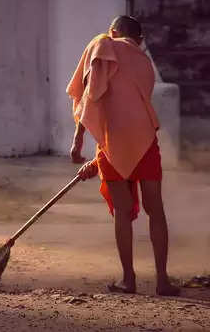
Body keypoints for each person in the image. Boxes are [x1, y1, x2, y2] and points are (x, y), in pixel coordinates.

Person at [66, 15, 180, 296]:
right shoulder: (144, 62)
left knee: (122, 212)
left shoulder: (103, 44)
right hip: (144, 139)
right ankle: (163, 281)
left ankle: (128, 280)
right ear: (139, 40)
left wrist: (79, 137)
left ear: (114, 31)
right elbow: (131, 104)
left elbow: (93, 94)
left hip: (113, 140)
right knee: (156, 210)